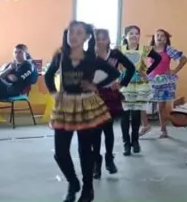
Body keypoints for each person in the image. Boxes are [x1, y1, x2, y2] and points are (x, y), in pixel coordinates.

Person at [45, 21, 121, 202]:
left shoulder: (91, 58)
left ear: (87, 37)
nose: (74, 36)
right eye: (71, 32)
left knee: (85, 150)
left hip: (86, 105)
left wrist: (95, 85)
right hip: (65, 105)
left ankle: (88, 189)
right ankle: (73, 182)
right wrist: (54, 93)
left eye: (79, 33)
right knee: (60, 153)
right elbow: (49, 75)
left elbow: (114, 73)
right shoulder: (61, 56)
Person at [91, 28, 136, 178]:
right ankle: (96, 163)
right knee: (95, 132)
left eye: (103, 38)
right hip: (93, 96)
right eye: (97, 39)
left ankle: (109, 158)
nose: (100, 42)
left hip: (110, 95)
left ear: (108, 40)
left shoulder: (115, 54)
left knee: (107, 129)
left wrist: (122, 83)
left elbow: (131, 68)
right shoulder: (89, 56)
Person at [118, 25, 161, 154]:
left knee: (136, 114)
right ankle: (126, 143)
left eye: (137, 33)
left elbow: (158, 58)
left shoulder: (144, 49)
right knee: (125, 115)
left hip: (139, 84)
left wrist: (147, 71)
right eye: (131, 33)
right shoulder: (120, 50)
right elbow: (112, 62)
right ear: (126, 36)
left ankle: (135, 141)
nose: (134, 36)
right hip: (125, 85)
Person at [148, 29, 187, 138]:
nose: (159, 37)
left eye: (162, 36)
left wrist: (175, 70)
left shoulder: (168, 50)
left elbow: (184, 59)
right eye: (157, 35)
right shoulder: (149, 50)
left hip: (164, 81)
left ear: (166, 39)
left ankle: (163, 129)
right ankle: (145, 126)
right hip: (151, 80)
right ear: (154, 37)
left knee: (161, 107)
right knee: (142, 102)